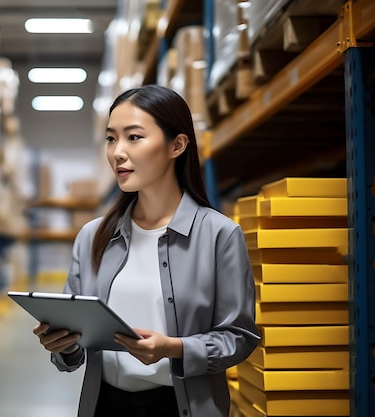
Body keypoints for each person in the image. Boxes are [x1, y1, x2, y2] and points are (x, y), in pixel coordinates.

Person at [32, 84, 260, 417]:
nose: (117, 152)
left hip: (180, 407)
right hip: (105, 404)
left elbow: (239, 336)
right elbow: (75, 348)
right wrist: (63, 346)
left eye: (134, 137)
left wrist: (175, 348)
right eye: (111, 139)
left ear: (177, 145)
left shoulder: (219, 235)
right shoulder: (92, 236)